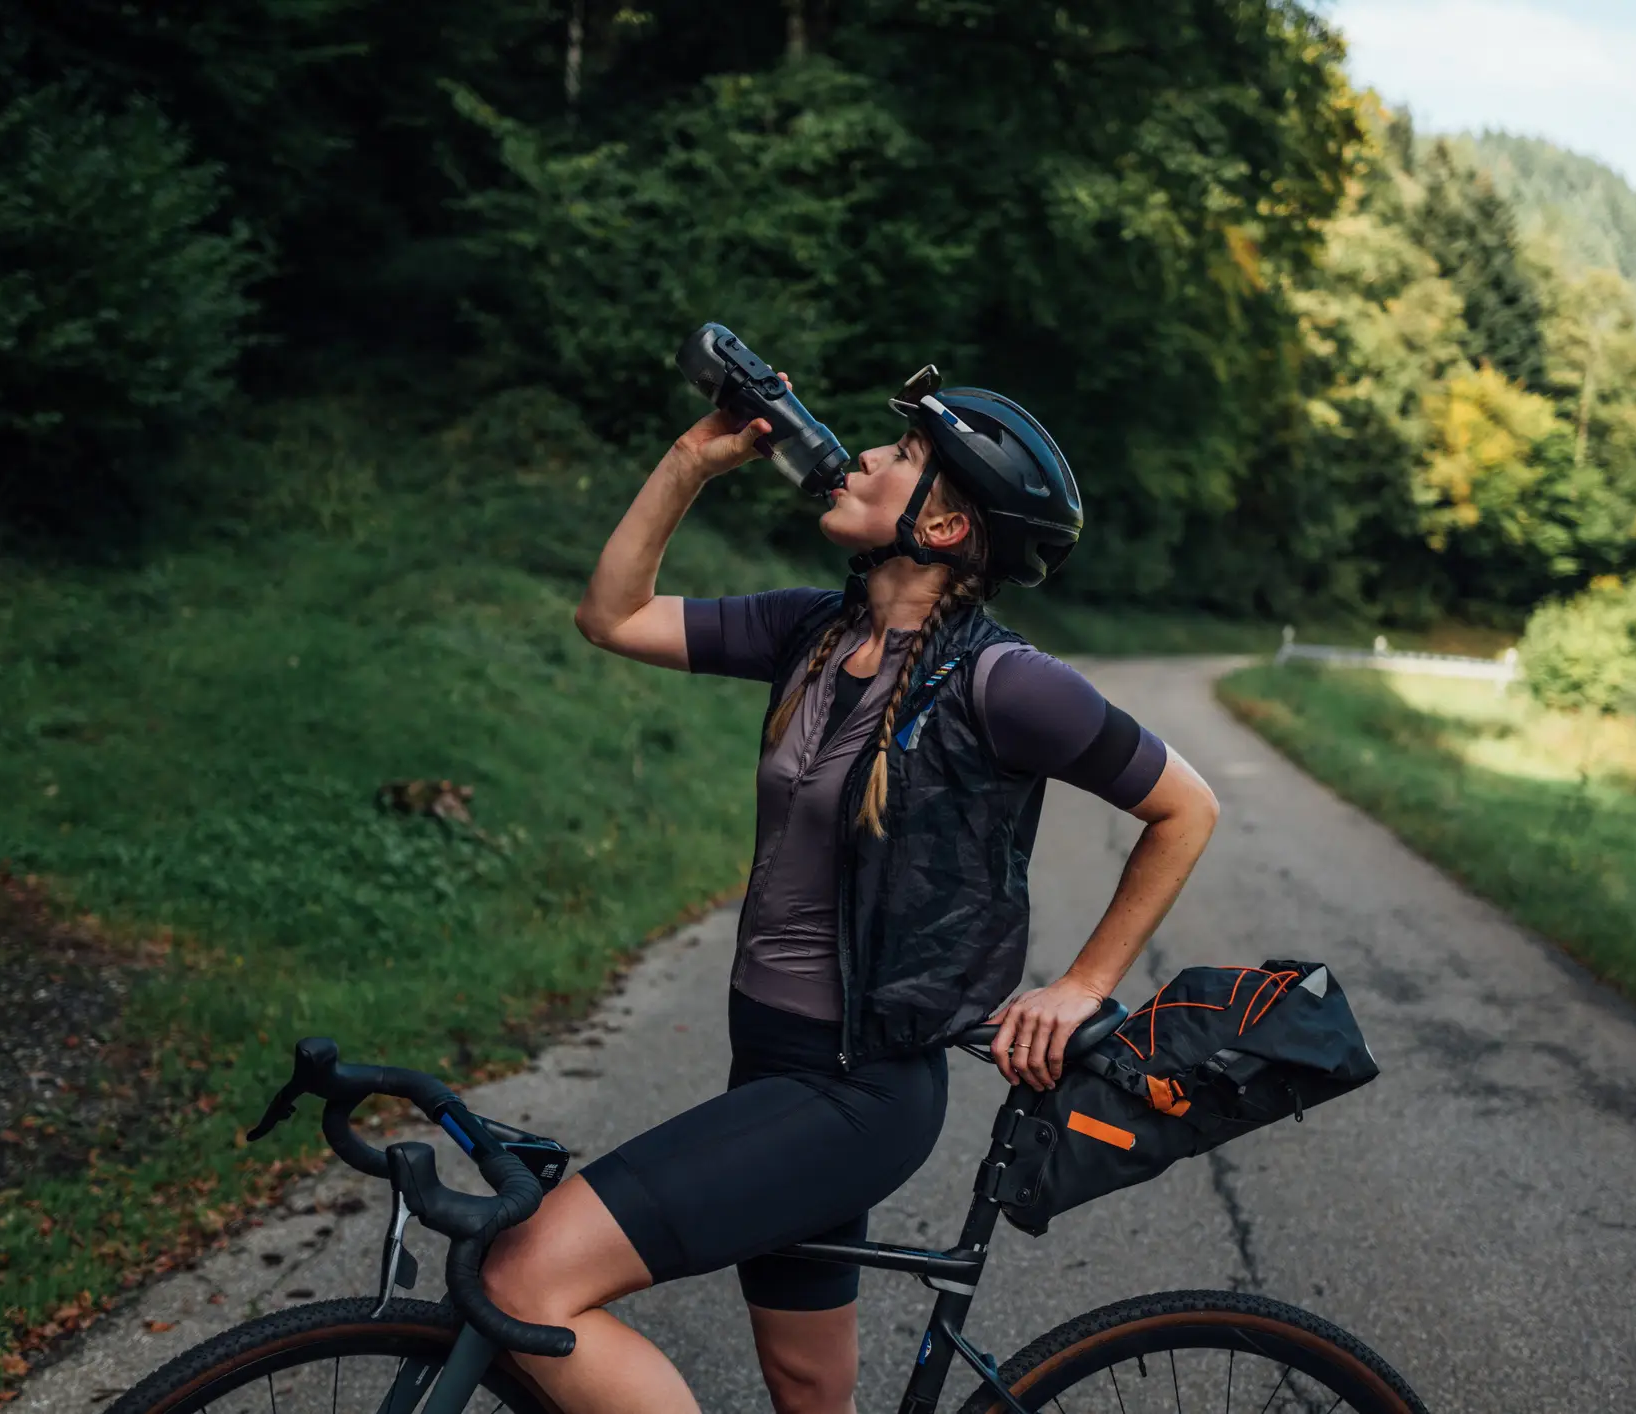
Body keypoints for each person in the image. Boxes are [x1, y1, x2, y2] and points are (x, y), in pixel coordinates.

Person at [481, 364, 1219, 1414]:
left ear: (948, 525)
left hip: (855, 1091)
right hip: (770, 1062)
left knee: (522, 1277)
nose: (865, 456)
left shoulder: (1002, 681)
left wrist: (1084, 982)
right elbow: (612, 614)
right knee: (806, 1385)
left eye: (905, 455)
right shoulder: (810, 634)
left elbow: (1186, 807)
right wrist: (692, 459)